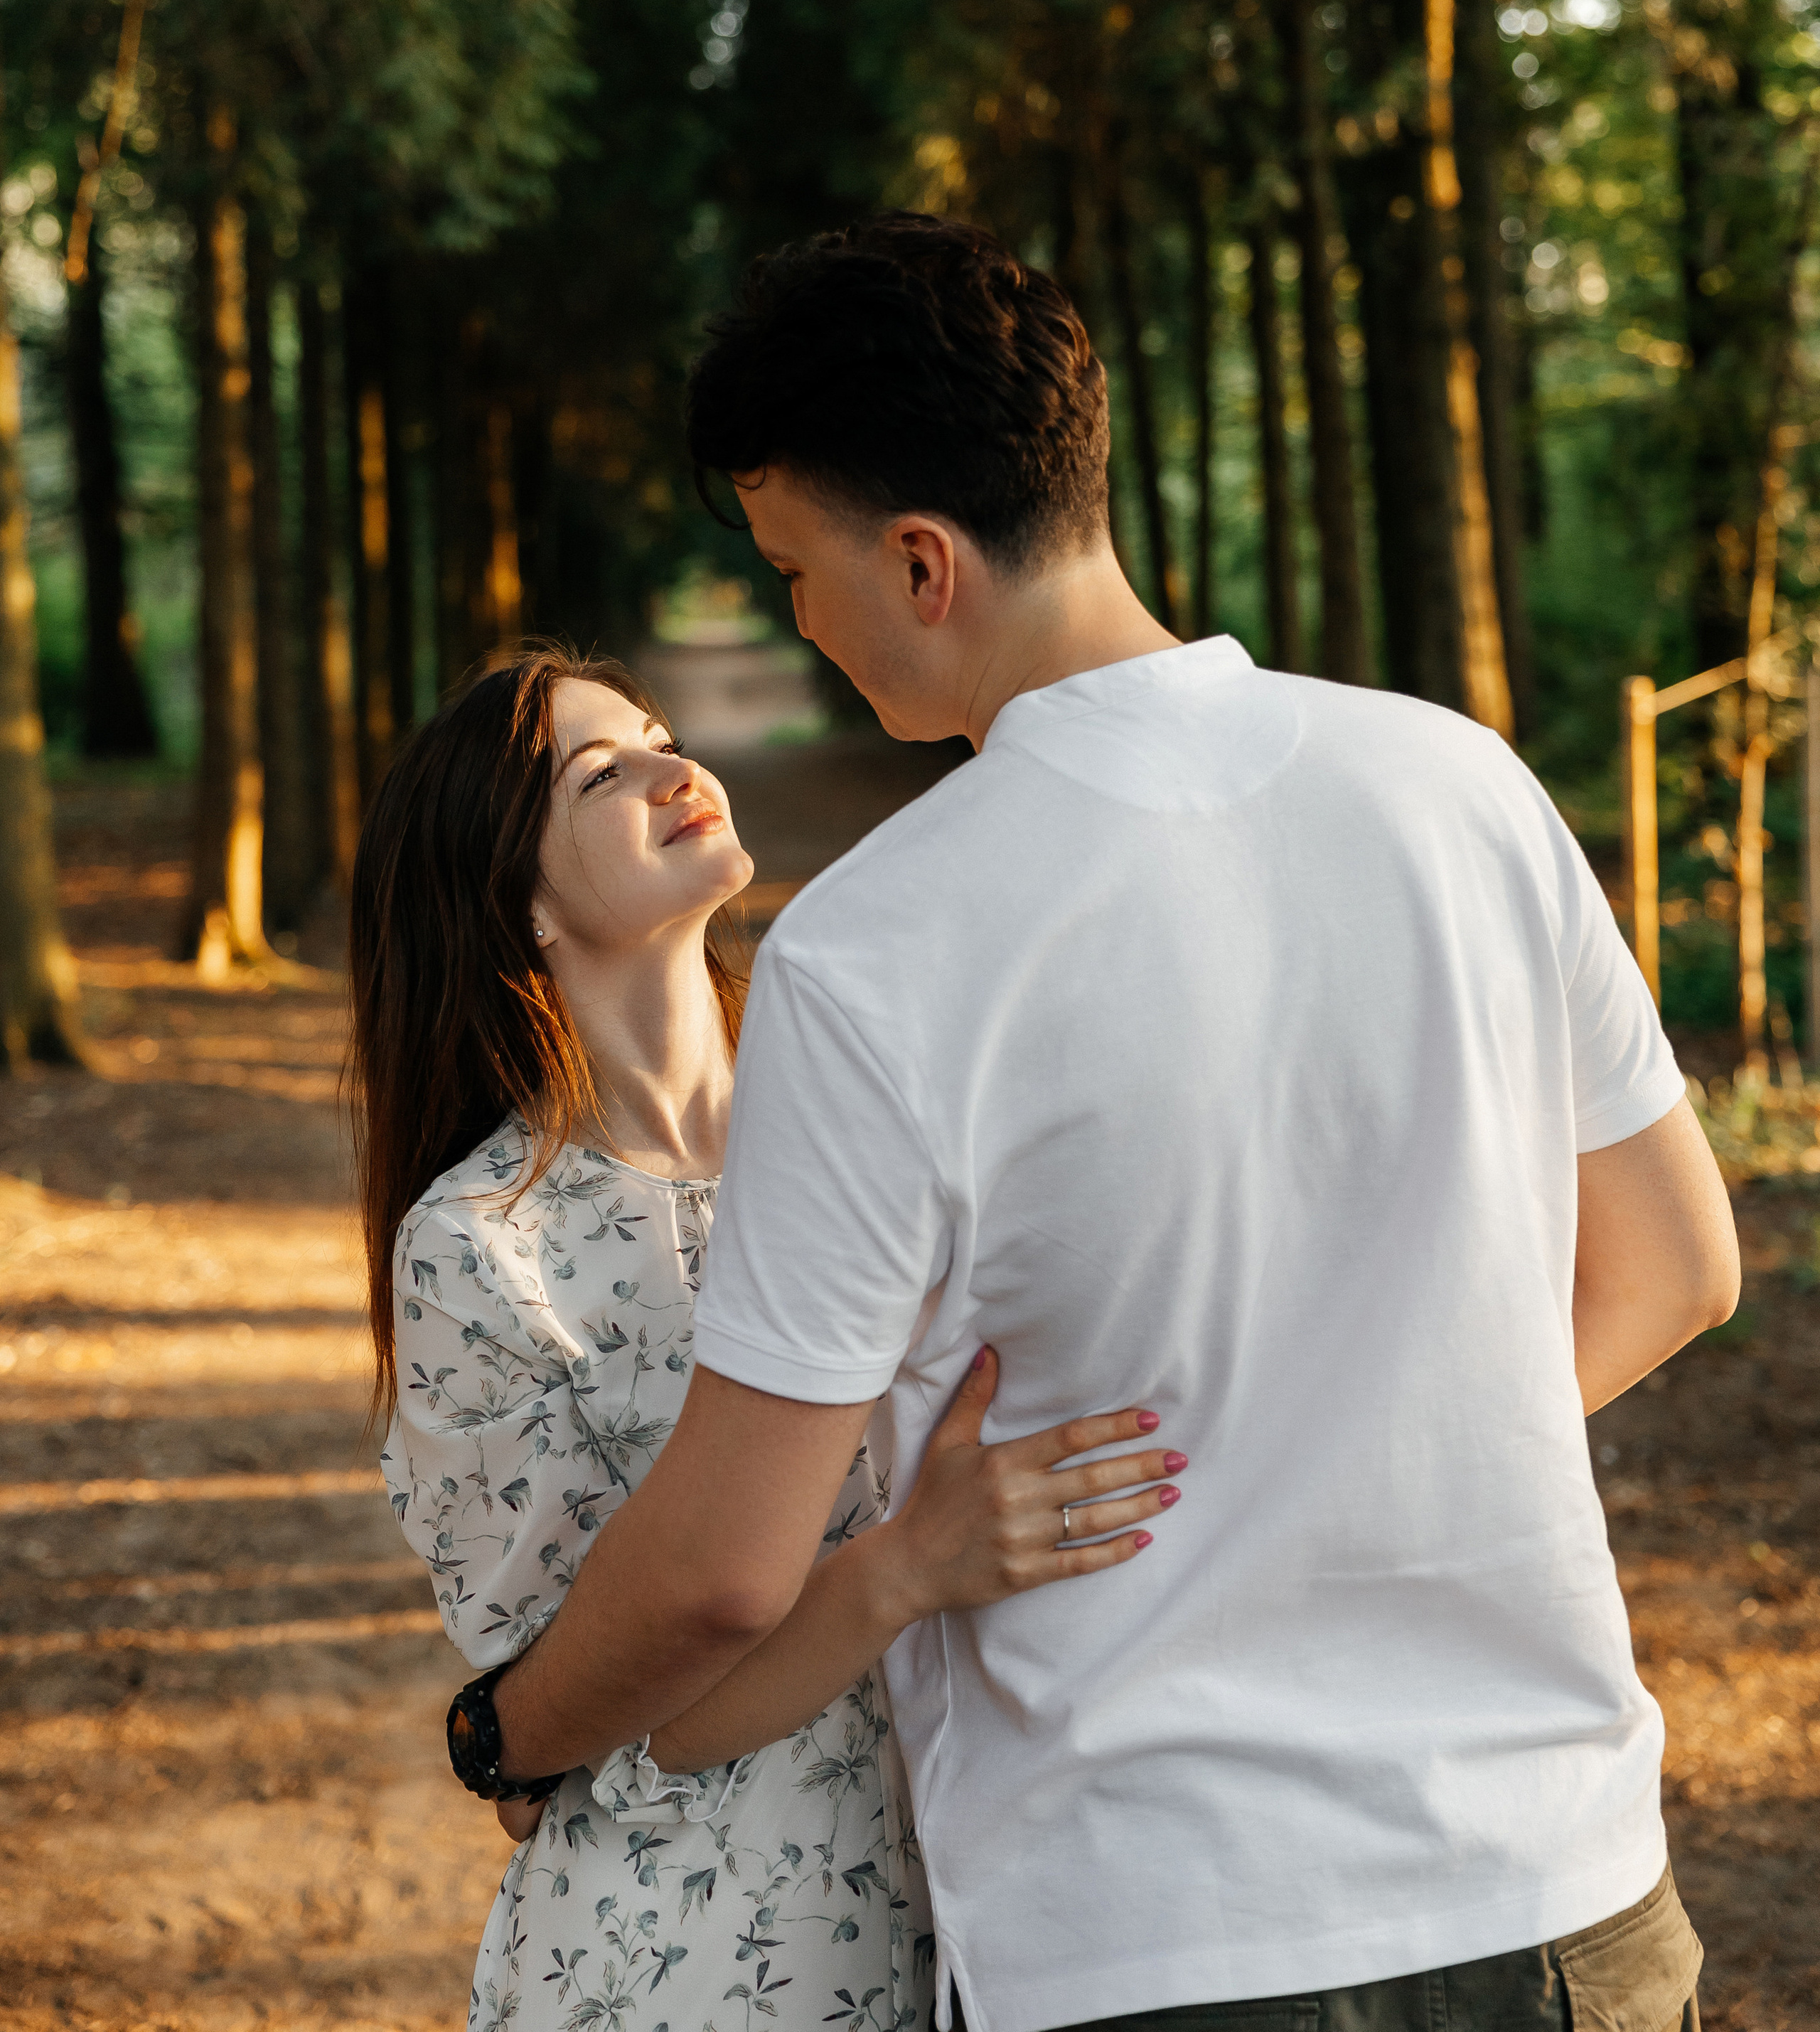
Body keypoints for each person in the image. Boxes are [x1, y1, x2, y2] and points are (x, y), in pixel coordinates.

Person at [483, 218, 1740, 2032]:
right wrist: (1349, 1456)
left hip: (1161, 1932)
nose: (793, 622)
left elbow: (726, 1569)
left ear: (920, 562)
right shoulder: (1458, 782)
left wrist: (506, 1726)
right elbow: (1675, 1268)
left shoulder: (876, 945)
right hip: (1565, 1899)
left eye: (792, 569)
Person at [350, 644, 1177, 2032]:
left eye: (663, 734)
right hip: (713, 1952)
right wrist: (899, 1570)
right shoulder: (486, 1246)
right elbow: (592, 1739)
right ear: (520, 908)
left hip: (1024, 1891)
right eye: (600, 777)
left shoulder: (882, 1108)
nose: (677, 770)